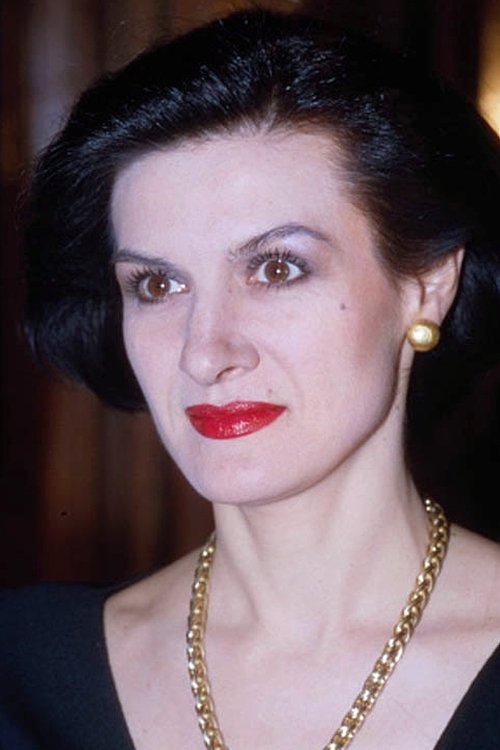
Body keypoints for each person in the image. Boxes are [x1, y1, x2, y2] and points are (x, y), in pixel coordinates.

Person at [2, 8, 500, 750]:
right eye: (157, 286)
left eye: (276, 269)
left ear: (426, 285)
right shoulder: (21, 673)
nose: (205, 353)